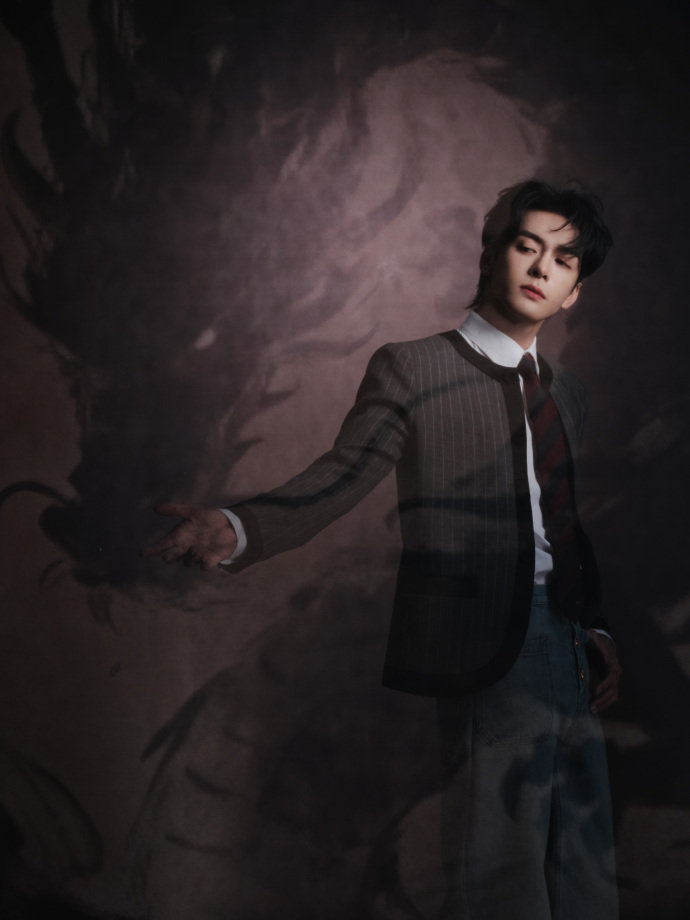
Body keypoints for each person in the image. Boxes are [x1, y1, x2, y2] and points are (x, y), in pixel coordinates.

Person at [144, 180, 622, 919]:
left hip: (570, 643)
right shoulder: (414, 366)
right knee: (502, 874)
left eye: (563, 260)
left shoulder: (569, 393)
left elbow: (562, 521)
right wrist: (237, 528)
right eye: (527, 246)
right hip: (490, 639)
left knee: (586, 869)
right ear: (493, 252)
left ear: (574, 292)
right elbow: (340, 476)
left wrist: (595, 628)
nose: (541, 268)